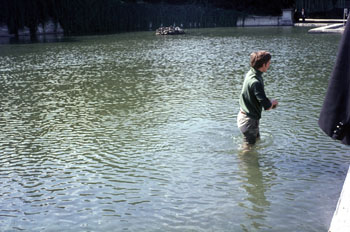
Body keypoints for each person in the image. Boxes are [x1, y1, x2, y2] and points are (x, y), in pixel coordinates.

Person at [237, 51, 278, 149]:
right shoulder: (256, 82)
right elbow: (267, 107)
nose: (269, 64)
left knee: (256, 141)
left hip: (246, 117)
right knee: (248, 150)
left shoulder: (251, 73)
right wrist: (272, 103)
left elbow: (257, 97)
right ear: (263, 64)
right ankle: (243, 163)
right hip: (249, 121)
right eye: (268, 62)